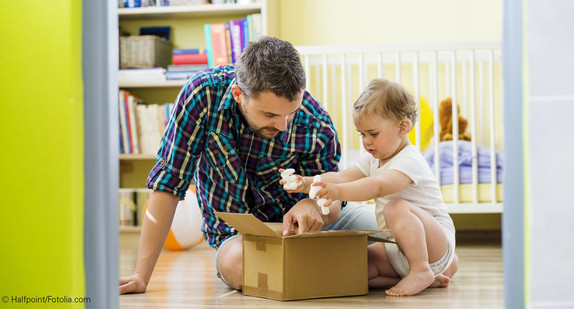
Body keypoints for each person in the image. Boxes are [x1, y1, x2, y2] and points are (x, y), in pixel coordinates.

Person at [118, 36, 378, 294]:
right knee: (238, 264)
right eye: (270, 115)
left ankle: (334, 270)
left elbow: (333, 203)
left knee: (401, 232)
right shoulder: (202, 96)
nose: (283, 125)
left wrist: (312, 204)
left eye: (291, 112)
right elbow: (168, 183)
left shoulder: (315, 122)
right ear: (238, 94)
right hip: (237, 238)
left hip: (310, 232)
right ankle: (356, 270)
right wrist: (141, 275)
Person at [281, 78, 458, 296]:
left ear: (403, 127)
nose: (366, 141)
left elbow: (378, 186)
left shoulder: (409, 160)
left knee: (395, 207)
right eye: (362, 134)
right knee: (357, 267)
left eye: (373, 134)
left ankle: (420, 269)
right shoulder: (373, 159)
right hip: (400, 246)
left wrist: (338, 193)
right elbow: (343, 177)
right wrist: (307, 182)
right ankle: (424, 277)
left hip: (434, 242)